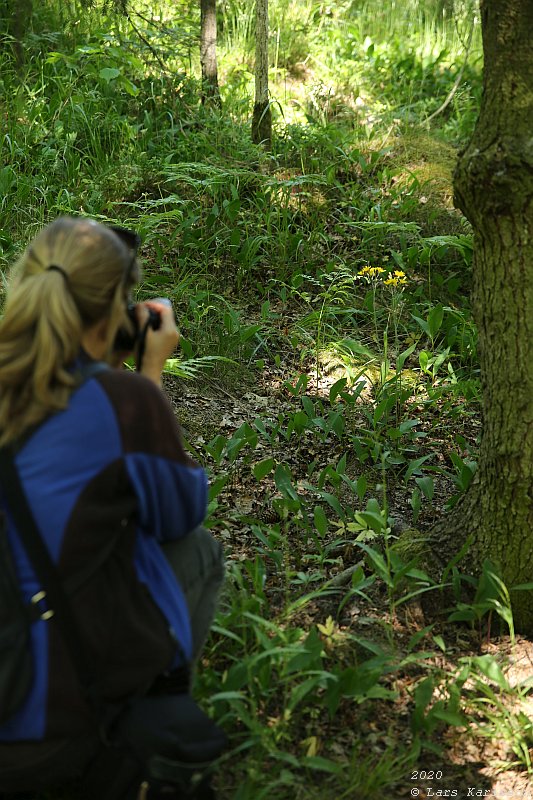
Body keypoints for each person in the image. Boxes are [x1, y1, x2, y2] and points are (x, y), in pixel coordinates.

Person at [0, 216, 225, 798]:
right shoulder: (121, 403)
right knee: (195, 552)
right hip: (40, 739)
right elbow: (179, 511)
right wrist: (146, 379)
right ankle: (144, 725)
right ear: (116, 313)